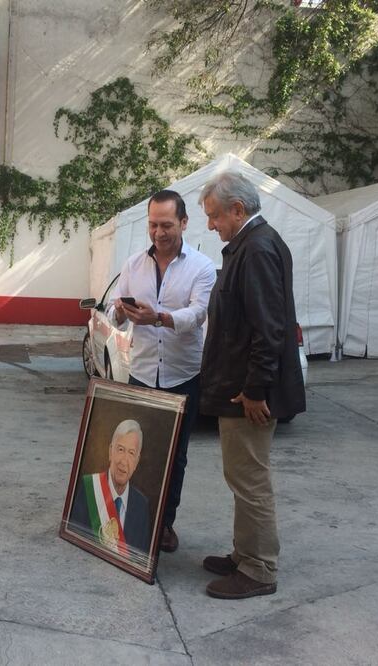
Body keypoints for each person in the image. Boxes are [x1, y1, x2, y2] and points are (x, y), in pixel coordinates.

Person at [198, 171, 306, 600]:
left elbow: (269, 329)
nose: (211, 225)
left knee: (250, 479)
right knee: (242, 475)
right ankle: (245, 554)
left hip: (249, 395)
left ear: (237, 210)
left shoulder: (256, 249)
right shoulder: (252, 245)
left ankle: (259, 569)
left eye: (214, 217)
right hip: (241, 389)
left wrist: (256, 390)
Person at [107, 189, 216, 553]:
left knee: (176, 456)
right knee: (140, 451)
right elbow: (113, 309)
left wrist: (160, 318)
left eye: (167, 225)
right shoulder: (133, 264)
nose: (159, 232)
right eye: (153, 225)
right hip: (141, 373)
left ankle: (165, 524)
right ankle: (136, 520)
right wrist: (121, 312)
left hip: (184, 375)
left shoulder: (201, 266)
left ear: (184, 223)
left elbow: (198, 314)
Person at [70, 419, 150, 554]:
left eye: (131, 453)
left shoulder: (142, 505)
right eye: (120, 449)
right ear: (110, 452)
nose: (124, 461)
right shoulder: (89, 488)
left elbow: (141, 559)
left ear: (137, 461)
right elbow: (75, 545)